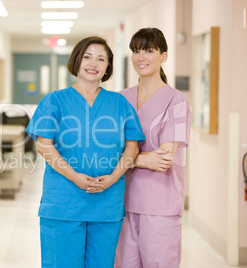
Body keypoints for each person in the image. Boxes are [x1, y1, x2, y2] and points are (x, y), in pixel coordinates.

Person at [26, 36, 145, 268]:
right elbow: (44, 146)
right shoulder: (55, 101)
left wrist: (112, 178)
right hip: (63, 202)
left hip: (106, 202)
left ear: (108, 67)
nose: (94, 64)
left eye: (101, 59)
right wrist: (77, 178)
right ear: (77, 61)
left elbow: (132, 146)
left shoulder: (119, 103)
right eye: (88, 57)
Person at [114, 28, 192, 268]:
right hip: (121, 203)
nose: (141, 57)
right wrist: (139, 160)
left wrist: (127, 158)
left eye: (149, 50)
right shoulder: (120, 99)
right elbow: (105, 152)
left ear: (163, 56)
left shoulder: (175, 101)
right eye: (136, 51)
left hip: (159, 205)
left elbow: (163, 158)